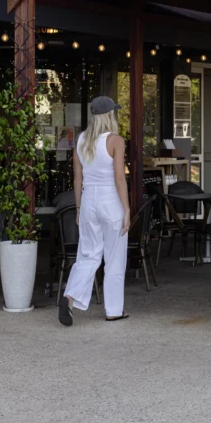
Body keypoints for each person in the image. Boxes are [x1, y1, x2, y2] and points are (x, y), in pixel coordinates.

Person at [59, 96, 131, 326]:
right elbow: (119, 178)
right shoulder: (116, 141)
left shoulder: (81, 141)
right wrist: (127, 209)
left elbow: (77, 179)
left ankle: (70, 297)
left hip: (88, 201)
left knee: (88, 255)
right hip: (111, 202)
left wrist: (79, 208)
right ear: (110, 115)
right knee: (114, 258)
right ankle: (113, 310)